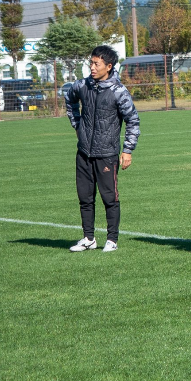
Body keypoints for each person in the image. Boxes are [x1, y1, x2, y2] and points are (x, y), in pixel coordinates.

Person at [65, 44, 140, 253]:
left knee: (110, 198)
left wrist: (127, 150)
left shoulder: (119, 91)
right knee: (85, 198)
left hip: (107, 154)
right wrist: (77, 125)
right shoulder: (82, 86)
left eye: (97, 64)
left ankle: (112, 239)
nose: (92, 67)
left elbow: (133, 120)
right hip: (84, 153)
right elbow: (69, 99)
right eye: (91, 62)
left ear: (108, 66)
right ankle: (88, 238)